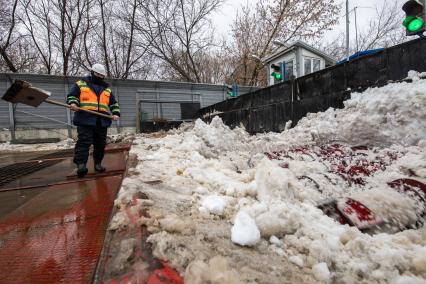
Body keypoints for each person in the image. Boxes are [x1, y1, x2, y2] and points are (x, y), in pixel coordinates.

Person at [67, 63, 120, 177]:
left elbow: (113, 103)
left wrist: (116, 113)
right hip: (85, 119)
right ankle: (81, 165)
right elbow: (72, 96)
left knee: (100, 144)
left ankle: (98, 164)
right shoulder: (81, 84)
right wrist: (73, 103)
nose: (100, 77)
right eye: (97, 74)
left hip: (102, 121)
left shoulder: (107, 89)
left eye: (102, 75)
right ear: (92, 73)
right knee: (84, 142)